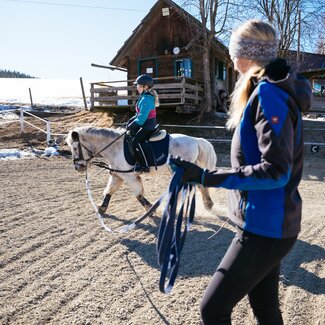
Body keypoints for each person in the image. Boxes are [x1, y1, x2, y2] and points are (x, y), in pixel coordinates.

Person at [170, 20, 312, 324]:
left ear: (247, 54)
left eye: (235, 52)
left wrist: (206, 177)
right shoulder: (265, 91)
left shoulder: (268, 95)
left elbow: (276, 171)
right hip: (266, 224)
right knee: (264, 307)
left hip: (265, 227)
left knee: (213, 309)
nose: (232, 61)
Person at [127, 74, 159, 172]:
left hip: (148, 126)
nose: (137, 88)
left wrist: (131, 126)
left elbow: (141, 119)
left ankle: (144, 166)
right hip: (144, 123)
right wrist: (130, 121)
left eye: (139, 86)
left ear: (146, 87)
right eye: (137, 86)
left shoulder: (147, 99)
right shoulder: (143, 97)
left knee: (135, 142)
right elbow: (138, 114)